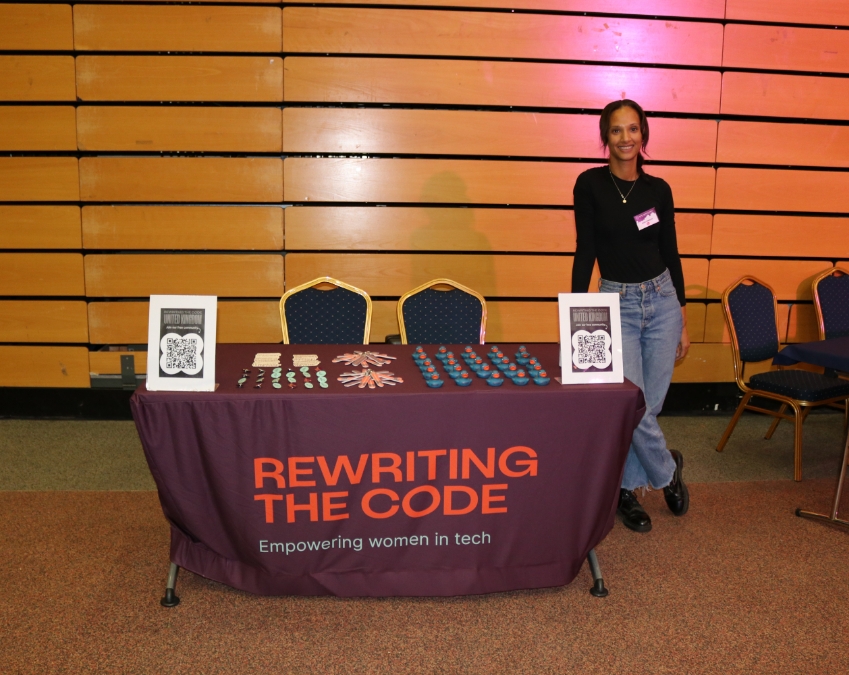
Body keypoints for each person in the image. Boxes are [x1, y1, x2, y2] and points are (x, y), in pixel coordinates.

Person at [571, 99, 690, 533]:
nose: (626, 138)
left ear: (644, 135)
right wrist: (576, 311)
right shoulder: (589, 185)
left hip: (661, 300)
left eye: (633, 129)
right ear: (605, 138)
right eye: (617, 130)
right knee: (633, 405)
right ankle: (668, 471)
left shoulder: (659, 189)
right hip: (614, 304)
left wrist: (682, 313)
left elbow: (670, 252)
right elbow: (586, 249)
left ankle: (627, 490)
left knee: (649, 406)